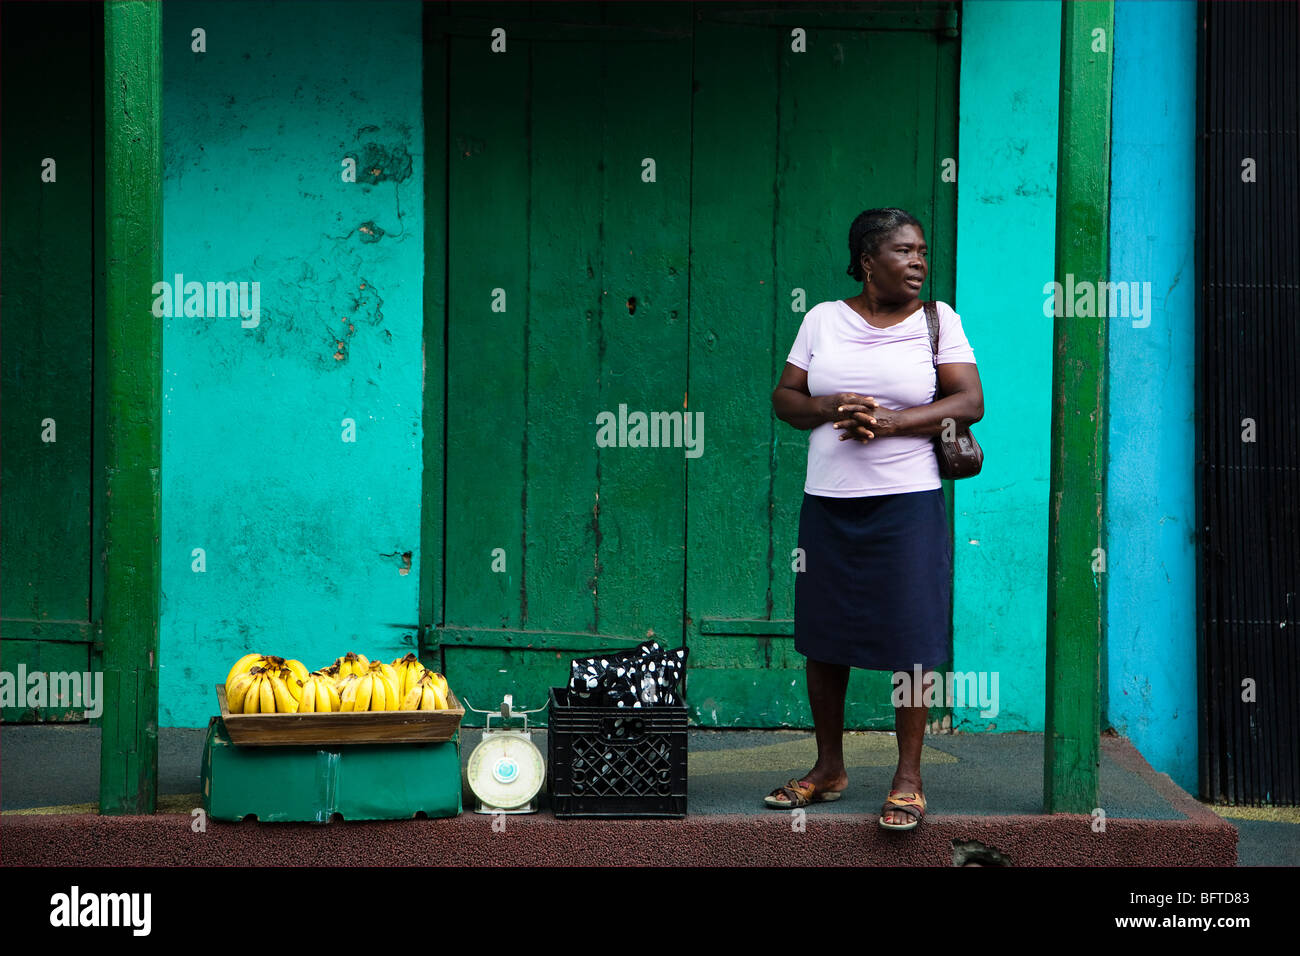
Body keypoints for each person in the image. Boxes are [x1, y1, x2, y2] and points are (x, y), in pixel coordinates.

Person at [766, 207, 984, 830]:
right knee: (823, 637)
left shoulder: (939, 322)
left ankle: (908, 778)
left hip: (908, 503)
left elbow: (969, 400)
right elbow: (785, 398)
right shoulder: (821, 320)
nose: (919, 262)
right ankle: (828, 768)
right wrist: (827, 404)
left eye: (922, 251)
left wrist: (890, 422)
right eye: (904, 251)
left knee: (911, 640)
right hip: (829, 501)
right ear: (868, 260)